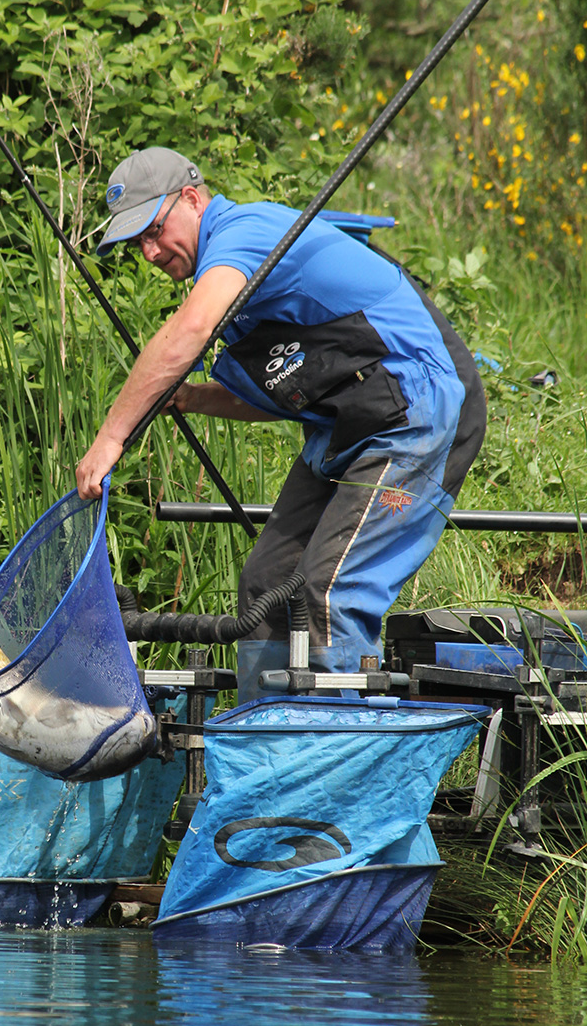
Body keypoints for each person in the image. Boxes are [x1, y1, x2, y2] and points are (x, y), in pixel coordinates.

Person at [75, 146, 486, 701]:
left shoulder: (243, 231)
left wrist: (110, 438)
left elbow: (188, 330)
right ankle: (264, 748)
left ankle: (333, 759)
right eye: (137, 244)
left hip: (413, 415)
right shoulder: (236, 283)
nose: (148, 252)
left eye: (153, 230)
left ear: (192, 199)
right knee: (266, 583)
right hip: (345, 428)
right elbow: (286, 393)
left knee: (329, 591)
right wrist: (194, 398)